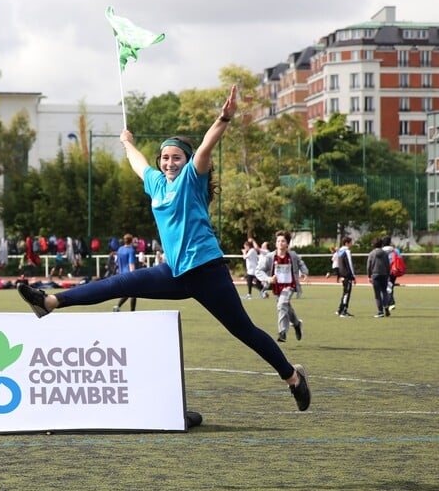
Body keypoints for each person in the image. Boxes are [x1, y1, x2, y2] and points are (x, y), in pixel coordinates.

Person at [17, 85, 310, 413]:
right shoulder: (156, 182)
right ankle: (51, 301)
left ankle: (292, 378)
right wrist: (127, 142)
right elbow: (138, 163)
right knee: (120, 283)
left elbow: (205, 147)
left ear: (185, 162)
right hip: (174, 272)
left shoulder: (191, 179)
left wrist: (224, 118)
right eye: (166, 158)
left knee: (243, 330)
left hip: (206, 272)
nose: (170, 162)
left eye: (176, 158)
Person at [255, 231, 309, 343]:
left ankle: (282, 332)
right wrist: (269, 279)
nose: (280, 243)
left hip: (290, 285)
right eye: (278, 241)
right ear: (275, 243)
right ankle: (297, 324)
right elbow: (258, 270)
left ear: (287, 244)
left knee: (282, 304)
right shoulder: (270, 257)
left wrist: (304, 272)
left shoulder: (292, 255)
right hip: (276, 287)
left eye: (283, 241)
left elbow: (301, 263)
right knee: (286, 306)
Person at [113, 233, 137, 312]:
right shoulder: (131, 250)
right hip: (128, 274)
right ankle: (132, 311)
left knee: (129, 292)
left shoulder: (120, 249)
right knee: (134, 293)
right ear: (131, 241)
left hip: (121, 274)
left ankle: (118, 306)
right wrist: (133, 275)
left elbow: (117, 263)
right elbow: (131, 264)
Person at [367, 237, 390, 318]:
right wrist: (388, 274)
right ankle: (386, 306)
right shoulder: (385, 253)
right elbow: (388, 264)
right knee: (384, 292)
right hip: (384, 274)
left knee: (377, 294)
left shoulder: (371, 254)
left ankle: (380, 311)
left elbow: (369, 266)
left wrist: (369, 276)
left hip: (375, 275)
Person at [381, 235, 403, 312]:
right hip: (394, 270)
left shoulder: (380, 250)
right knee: (390, 285)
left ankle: (391, 303)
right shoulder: (396, 250)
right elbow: (400, 258)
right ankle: (390, 302)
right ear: (390, 242)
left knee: (386, 287)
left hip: (384, 271)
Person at [335, 236, 356, 317]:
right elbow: (350, 264)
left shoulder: (340, 251)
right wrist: (353, 276)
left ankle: (340, 309)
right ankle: (344, 311)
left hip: (342, 274)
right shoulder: (347, 251)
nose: (351, 244)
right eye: (351, 242)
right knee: (347, 293)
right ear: (347, 243)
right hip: (347, 275)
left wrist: (339, 274)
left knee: (345, 292)